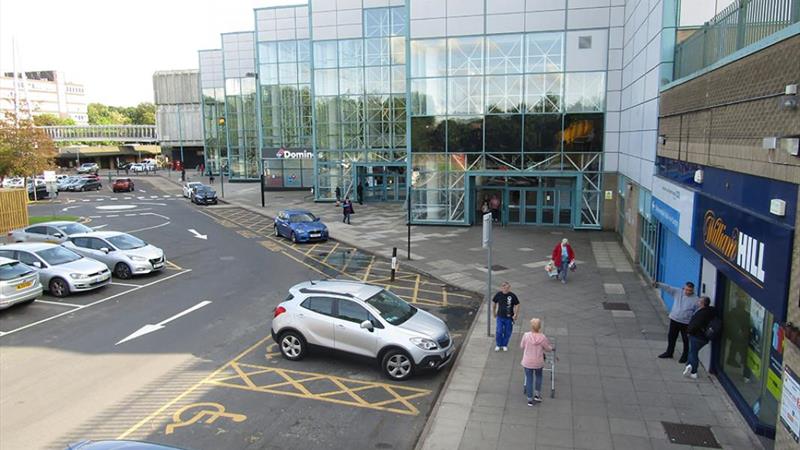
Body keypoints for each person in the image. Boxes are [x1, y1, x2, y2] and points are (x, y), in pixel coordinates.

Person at [653, 281, 699, 363]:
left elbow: (697, 312)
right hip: (674, 319)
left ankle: (685, 356)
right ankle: (669, 352)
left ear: (693, 290)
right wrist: (658, 284)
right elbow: (668, 288)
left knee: (685, 339)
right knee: (671, 337)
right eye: (687, 290)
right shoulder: (678, 292)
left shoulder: (696, 300)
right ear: (683, 288)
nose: (688, 292)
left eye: (690, 290)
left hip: (686, 322)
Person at [520, 318, 554, 405]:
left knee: (529, 379)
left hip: (527, 361)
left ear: (531, 326)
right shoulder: (542, 337)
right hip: (538, 362)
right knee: (539, 376)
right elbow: (547, 348)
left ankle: (529, 399)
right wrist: (552, 348)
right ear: (539, 327)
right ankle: (537, 395)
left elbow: (522, 346)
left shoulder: (526, 335)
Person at [684, 296, 715, 379]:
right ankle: (688, 365)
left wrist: (689, 332)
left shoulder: (701, 313)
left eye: (699, 301)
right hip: (704, 338)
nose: (698, 302)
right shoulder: (710, 311)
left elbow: (695, 325)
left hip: (697, 336)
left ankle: (693, 371)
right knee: (693, 351)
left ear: (702, 303)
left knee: (693, 353)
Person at [492, 282, 519, 352]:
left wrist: (516, 314)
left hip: (509, 318)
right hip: (500, 317)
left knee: (507, 332)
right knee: (499, 331)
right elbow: (494, 303)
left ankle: (504, 345)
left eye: (507, 288)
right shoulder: (498, 294)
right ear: (501, 288)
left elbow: (517, 304)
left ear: (509, 288)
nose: (505, 289)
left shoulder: (512, 295)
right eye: (504, 287)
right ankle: (498, 344)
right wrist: (494, 312)